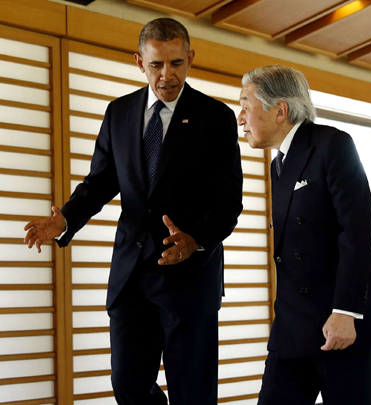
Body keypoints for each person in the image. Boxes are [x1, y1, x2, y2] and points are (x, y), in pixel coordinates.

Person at [23, 18, 243, 405]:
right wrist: (66, 218)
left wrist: (196, 240)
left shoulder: (215, 117)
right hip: (131, 274)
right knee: (128, 382)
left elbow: (229, 202)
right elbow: (99, 183)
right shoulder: (119, 113)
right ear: (139, 62)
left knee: (193, 392)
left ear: (190, 58)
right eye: (157, 64)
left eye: (176, 63)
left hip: (189, 277)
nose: (167, 75)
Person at [237, 65, 371, 405]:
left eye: (246, 105)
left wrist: (346, 312)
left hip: (345, 322)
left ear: (280, 111)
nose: (240, 117)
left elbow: (357, 230)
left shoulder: (333, 144)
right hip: (294, 326)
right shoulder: (277, 165)